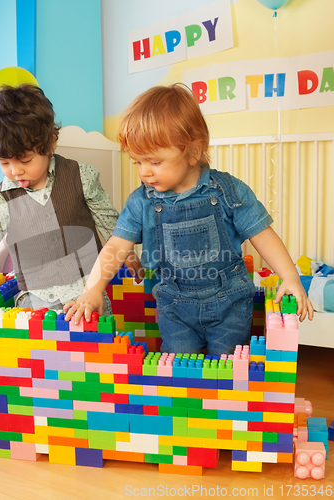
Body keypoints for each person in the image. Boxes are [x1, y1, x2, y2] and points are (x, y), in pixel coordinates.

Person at [64, 83, 313, 355]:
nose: (144, 172)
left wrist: (289, 276)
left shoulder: (228, 191)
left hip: (230, 304)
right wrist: (93, 288)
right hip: (175, 308)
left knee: (227, 370)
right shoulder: (141, 201)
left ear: (193, 152)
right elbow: (115, 247)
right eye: (137, 162)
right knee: (181, 372)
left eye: (155, 162)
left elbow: (262, 235)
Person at [0, 84, 141, 318]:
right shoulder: (2, 199)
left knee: (94, 346)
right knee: (43, 351)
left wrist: (127, 254)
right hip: (35, 299)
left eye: (25, 160)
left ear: (51, 142)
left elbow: (110, 221)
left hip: (85, 290)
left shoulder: (81, 175)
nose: (15, 171)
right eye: (4, 163)